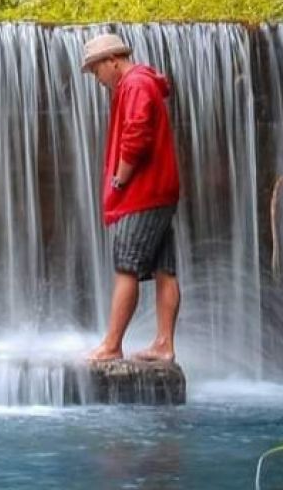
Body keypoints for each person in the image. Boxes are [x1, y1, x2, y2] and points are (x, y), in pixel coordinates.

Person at [81, 33, 181, 363]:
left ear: (113, 60)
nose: (98, 79)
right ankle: (164, 344)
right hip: (160, 191)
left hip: (142, 193)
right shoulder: (142, 83)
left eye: (96, 71)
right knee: (165, 270)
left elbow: (136, 133)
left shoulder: (136, 84)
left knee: (126, 267)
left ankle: (112, 345)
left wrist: (120, 180)